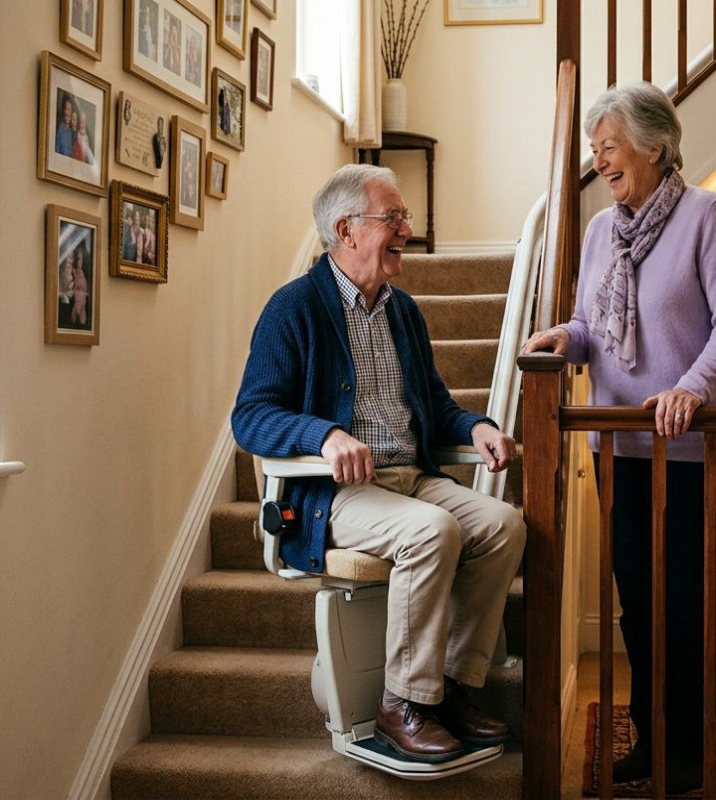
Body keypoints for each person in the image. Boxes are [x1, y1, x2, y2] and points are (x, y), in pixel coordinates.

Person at [232, 164, 526, 764]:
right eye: (393, 218)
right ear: (346, 229)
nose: (407, 230)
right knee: (433, 531)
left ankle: (455, 689)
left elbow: (435, 406)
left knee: (503, 525)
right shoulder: (293, 308)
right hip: (336, 495)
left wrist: (476, 425)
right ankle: (403, 704)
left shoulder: (403, 311)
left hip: (410, 478)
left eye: (404, 218)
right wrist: (323, 435)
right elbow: (250, 416)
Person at [523, 81, 716, 793]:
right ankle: (650, 742)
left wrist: (691, 386)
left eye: (609, 146)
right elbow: (595, 328)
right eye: (593, 149)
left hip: (686, 452)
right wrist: (566, 337)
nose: (598, 159)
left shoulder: (704, 214)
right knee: (637, 605)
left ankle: (688, 752)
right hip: (618, 450)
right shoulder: (599, 231)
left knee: (682, 605)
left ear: (656, 145)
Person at [70, 249, 90, 327]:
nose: (79, 262)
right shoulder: (72, 272)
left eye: (80, 259)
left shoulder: (84, 274)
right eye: (77, 259)